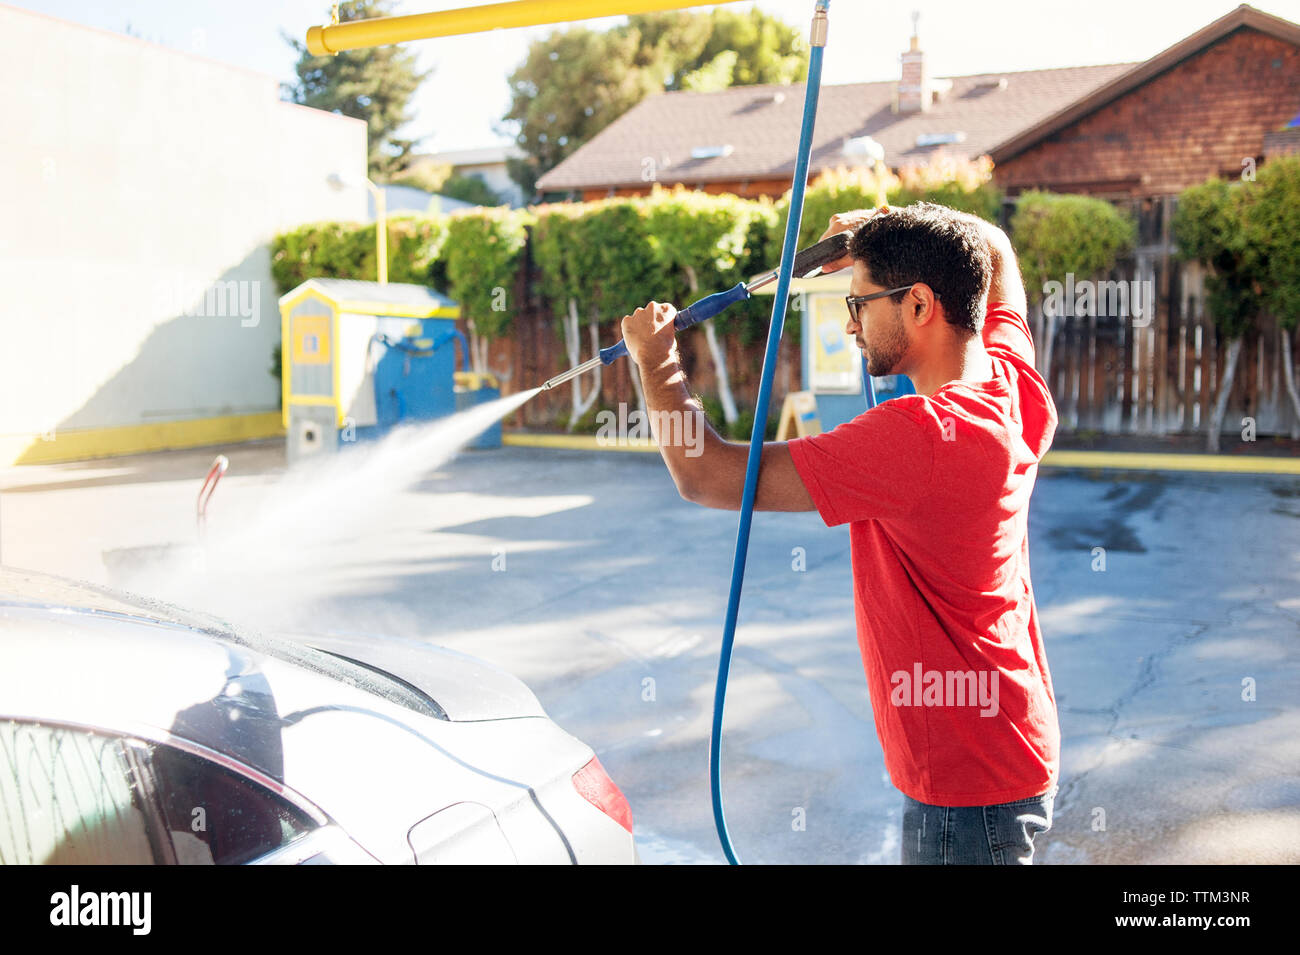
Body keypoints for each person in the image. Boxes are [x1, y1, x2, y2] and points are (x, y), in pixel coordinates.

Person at [619, 201, 1060, 865]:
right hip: (1005, 750)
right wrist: (896, 221)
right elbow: (992, 247)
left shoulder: (919, 437)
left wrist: (656, 363)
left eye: (859, 303)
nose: (850, 324)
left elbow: (706, 476)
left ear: (918, 305)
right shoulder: (1010, 383)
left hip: (968, 783)